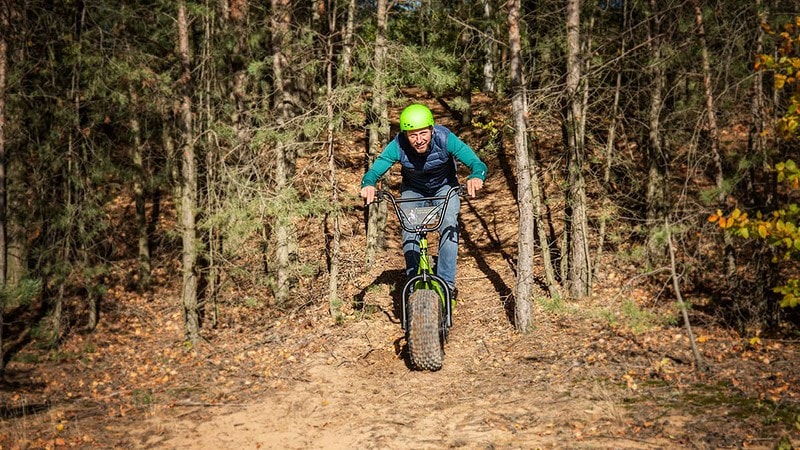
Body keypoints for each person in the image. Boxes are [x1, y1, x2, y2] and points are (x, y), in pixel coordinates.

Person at [360, 103, 487, 298]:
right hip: (414, 190)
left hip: (444, 187)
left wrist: (476, 175)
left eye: (423, 133)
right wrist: (368, 183)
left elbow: (476, 162)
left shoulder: (445, 139)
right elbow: (375, 170)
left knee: (449, 224)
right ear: (405, 135)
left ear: (431, 130)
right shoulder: (398, 145)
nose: (418, 140)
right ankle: (413, 282)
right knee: (409, 229)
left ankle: (447, 284)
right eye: (412, 135)